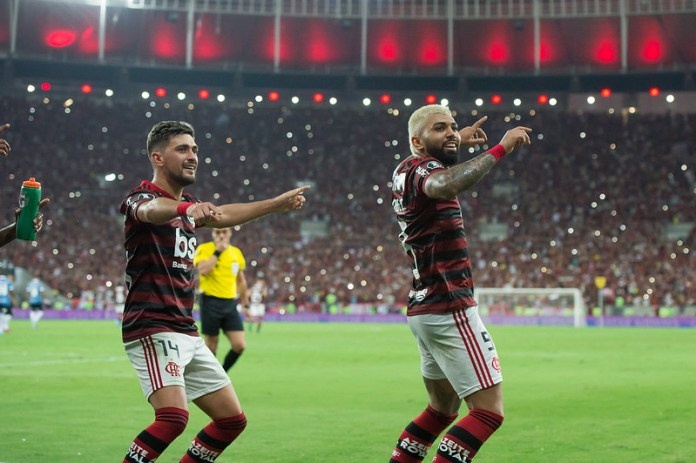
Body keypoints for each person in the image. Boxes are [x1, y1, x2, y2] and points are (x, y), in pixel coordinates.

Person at [119, 120, 308, 463]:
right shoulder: (140, 198)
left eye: (194, 149)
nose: (192, 156)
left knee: (231, 421)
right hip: (152, 326)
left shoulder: (190, 204)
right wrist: (185, 209)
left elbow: (223, 215)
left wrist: (273, 205)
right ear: (157, 158)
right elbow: (152, 211)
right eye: (182, 149)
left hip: (185, 329)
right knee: (173, 418)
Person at [388, 105, 531, 463]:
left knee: (441, 411)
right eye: (440, 128)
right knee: (488, 413)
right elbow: (444, 184)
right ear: (417, 141)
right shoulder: (427, 170)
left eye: (453, 126)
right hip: (449, 306)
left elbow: (435, 171)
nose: (452, 132)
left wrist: (455, 140)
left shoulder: (404, 170)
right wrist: (500, 148)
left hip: (424, 309)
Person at [193, 227, 249, 371]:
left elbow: (241, 281)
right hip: (210, 301)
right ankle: (209, 379)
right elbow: (203, 270)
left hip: (230, 302)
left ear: (230, 233)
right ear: (213, 234)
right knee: (211, 347)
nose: (221, 235)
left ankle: (222, 373)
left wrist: (246, 304)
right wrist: (218, 251)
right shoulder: (204, 248)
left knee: (239, 345)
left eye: (224, 232)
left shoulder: (236, 252)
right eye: (218, 232)